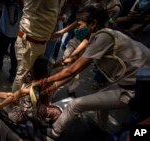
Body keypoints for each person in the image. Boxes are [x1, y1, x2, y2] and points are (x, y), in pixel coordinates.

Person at [31, 3, 150, 138]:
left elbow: (71, 71)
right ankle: (101, 131)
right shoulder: (104, 34)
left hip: (137, 89)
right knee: (102, 103)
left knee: (75, 105)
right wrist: (51, 84)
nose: (78, 29)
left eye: (80, 25)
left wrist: (41, 83)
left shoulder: (103, 37)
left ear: (93, 23)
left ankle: (53, 133)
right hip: (135, 84)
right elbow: (74, 67)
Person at [12, 0, 68, 92]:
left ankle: (25, 96)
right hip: (29, 42)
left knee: (34, 73)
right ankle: (14, 102)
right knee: (21, 75)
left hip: (41, 42)